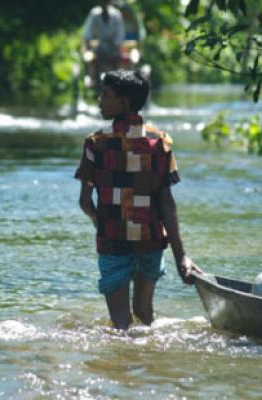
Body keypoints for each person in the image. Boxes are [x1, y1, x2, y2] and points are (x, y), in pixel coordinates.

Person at [75, 70, 201, 330]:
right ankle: (150, 366)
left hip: (114, 242)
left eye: (105, 95)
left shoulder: (96, 143)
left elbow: (85, 202)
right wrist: (182, 257)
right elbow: (167, 203)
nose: (99, 99)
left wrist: (103, 225)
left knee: (120, 324)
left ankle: (121, 368)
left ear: (123, 103)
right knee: (145, 315)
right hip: (151, 242)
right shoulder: (160, 142)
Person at [81, 0, 125, 88]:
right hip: (100, 47)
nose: (103, 3)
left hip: (114, 47)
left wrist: (114, 44)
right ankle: (95, 80)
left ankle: (117, 81)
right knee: (95, 59)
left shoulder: (116, 15)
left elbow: (120, 34)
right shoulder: (94, 14)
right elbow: (87, 33)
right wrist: (86, 46)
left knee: (116, 61)